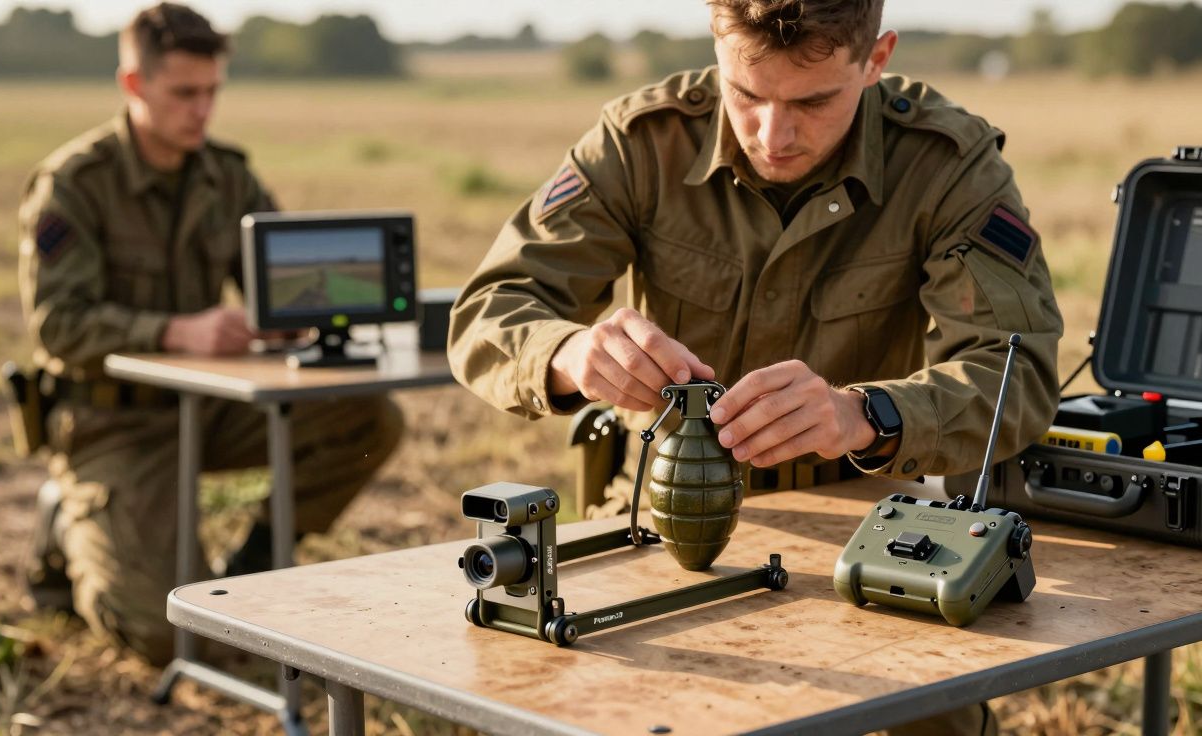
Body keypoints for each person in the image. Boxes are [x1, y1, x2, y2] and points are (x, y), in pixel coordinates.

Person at [450, 1, 1062, 732]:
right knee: (607, 703)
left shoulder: (945, 164)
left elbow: (1015, 372)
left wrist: (863, 416)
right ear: (717, 44)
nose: (774, 135)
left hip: (865, 525)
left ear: (877, 59)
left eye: (813, 101)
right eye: (746, 95)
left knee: (930, 716)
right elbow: (490, 310)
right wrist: (568, 354)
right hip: (657, 520)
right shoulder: (645, 141)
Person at [17, 3, 403, 664]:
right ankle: (67, 518)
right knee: (174, 639)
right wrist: (177, 330)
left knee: (368, 417)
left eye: (212, 92)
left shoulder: (228, 176)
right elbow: (59, 325)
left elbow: (275, 292)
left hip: (210, 411)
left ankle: (252, 562)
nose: (202, 110)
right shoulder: (76, 185)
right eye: (184, 94)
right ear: (134, 85)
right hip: (114, 426)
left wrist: (302, 312)